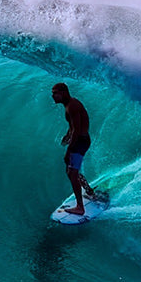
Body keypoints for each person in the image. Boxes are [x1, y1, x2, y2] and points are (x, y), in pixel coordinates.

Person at [51, 82, 96, 215]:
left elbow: (77, 130)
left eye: (55, 93)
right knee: (70, 170)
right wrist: (67, 135)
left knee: (72, 173)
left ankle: (80, 207)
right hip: (79, 140)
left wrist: (68, 150)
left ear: (63, 92)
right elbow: (73, 126)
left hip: (80, 142)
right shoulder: (69, 105)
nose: (53, 96)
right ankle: (89, 191)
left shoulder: (72, 106)